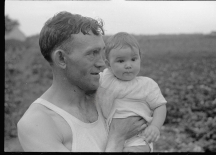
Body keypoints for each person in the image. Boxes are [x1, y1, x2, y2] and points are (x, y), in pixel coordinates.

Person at [17, 12, 147, 152]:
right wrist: (117, 138)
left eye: (102, 52)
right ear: (61, 59)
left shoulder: (109, 92)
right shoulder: (37, 123)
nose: (102, 64)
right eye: (92, 53)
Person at [97, 32, 167, 152]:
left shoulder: (147, 84)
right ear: (108, 65)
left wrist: (155, 126)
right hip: (110, 136)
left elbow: (160, 106)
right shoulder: (106, 79)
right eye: (121, 61)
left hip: (139, 137)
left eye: (134, 59)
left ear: (140, 59)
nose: (128, 65)